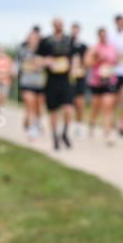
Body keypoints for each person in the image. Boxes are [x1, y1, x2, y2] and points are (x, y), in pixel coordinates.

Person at [37, 17, 77, 151]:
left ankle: (65, 132)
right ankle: (54, 137)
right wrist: (45, 61)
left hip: (65, 79)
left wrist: (74, 68)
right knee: (53, 111)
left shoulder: (69, 40)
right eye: (57, 23)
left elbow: (75, 57)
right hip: (51, 80)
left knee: (69, 109)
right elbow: (37, 59)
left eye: (61, 23)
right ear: (53, 25)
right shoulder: (45, 41)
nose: (59, 25)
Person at [86, 26, 120, 146]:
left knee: (108, 105)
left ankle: (107, 133)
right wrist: (98, 59)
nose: (103, 37)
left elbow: (116, 61)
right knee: (96, 106)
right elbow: (87, 63)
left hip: (109, 80)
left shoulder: (112, 48)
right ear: (98, 36)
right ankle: (92, 124)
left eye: (105, 35)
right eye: (101, 35)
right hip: (97, 81)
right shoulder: (93, 48)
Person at [17, 28, 45, 139]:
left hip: (40, 83)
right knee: (30, 103)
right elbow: (18, 64)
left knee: (39, 107)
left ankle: (36, 123)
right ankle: (32, 128)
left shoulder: (43, 51)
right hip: (26, 82)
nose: (33, 40)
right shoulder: (22, 50)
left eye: (36, 38)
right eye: (31, 38)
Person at [70, 22, 89, 137]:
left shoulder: (83, 47)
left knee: (80, 101)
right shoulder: (67, 45)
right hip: (68, 77)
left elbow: (87, 61)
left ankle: (79, 124)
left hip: (80, 76)